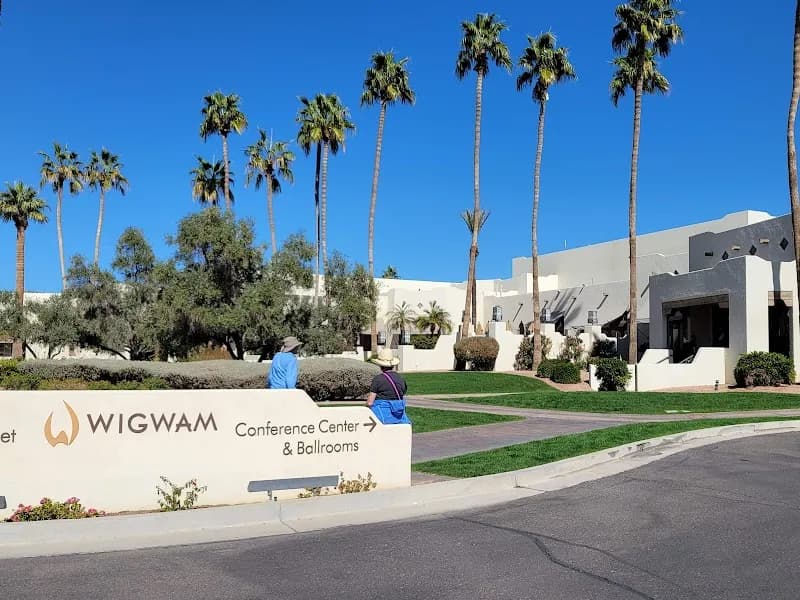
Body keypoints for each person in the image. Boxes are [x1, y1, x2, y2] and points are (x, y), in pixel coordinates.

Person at [367, 349, 411, 424]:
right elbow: (402, 393)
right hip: (399, 415)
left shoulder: (378, 379)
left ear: (380, 365)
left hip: (382, 415)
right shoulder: (401, 378)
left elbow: (370, 403)